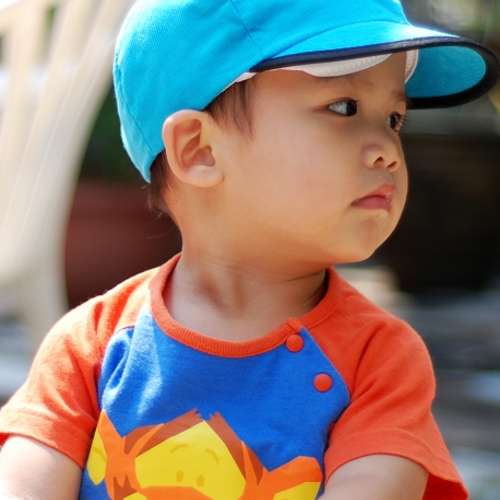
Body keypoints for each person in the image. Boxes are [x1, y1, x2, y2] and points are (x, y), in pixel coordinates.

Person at [0, 0, 498, 498]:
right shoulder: (90, 347)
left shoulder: (380, 361)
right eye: (344, 107)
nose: (387, 150)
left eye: (393, 119)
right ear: (199, 150)